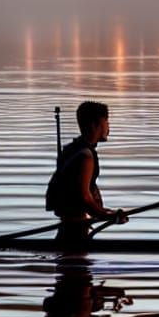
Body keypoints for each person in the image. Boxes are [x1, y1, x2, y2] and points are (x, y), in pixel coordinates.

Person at [44, 101, 129, 248]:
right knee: (77, 267)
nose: (109, 127)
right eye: (106, 121)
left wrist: (108, 213)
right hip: (75, 230)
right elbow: (84, 197)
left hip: (71, 226)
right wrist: (107, 216)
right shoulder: (86, 156)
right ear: (94, 125)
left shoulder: (74, 149)